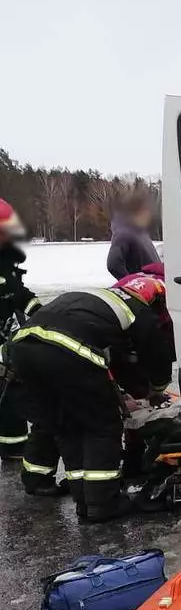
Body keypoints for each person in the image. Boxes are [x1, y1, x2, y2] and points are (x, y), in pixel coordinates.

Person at [7, 273, 172, 522]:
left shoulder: (97, 298)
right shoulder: (138, 310)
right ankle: (103, 503)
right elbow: (156, 354)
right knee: (101, 426)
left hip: (22, 350)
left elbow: (120, 362)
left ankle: (83, 500)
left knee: (66, 425)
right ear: (155, 297)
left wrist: (135, 390)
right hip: (65, 350)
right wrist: (157, 389)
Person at [0, 199, 66, 498]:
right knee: (13, 390)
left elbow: (19, 295)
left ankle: (13, 448)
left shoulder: (6, 261)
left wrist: (42, 313)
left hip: (6, 336)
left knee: (13, 390)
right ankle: (13, 449)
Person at [106, 189, 161, 279]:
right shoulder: (123, 234)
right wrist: (131, 283)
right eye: (146, 212)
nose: (149, 216)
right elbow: (113, 265)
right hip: (142, 289)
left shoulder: (140, 232)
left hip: (155, 287)